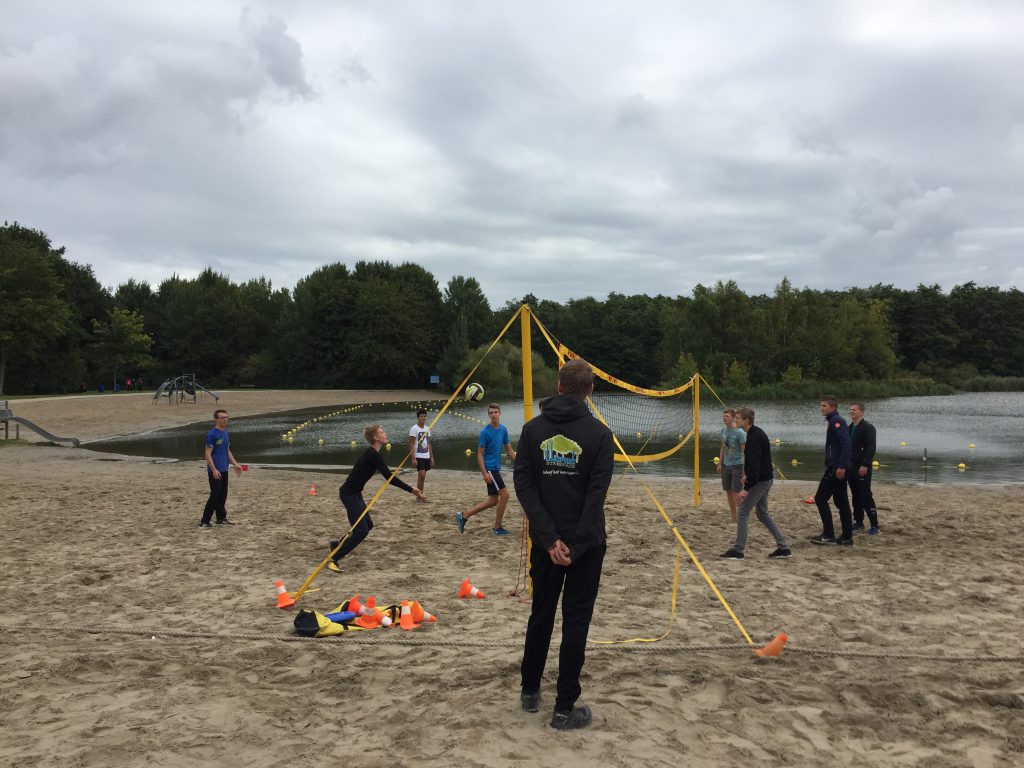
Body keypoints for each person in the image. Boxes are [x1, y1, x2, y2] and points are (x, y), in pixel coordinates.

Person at [514, 359, 614, 731]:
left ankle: (533, 693)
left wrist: (555, 541)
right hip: (572, 544)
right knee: (572, 621)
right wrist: (562, 541)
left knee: (543, 613)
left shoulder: (538, 430)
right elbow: (528, 485)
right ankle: (558, 706)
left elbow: (592, 494)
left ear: (559, 386)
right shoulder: (542, 432)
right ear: (589, 390)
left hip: (560, 544)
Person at [328, 424, 424, 571]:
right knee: (361, 531)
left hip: (355, 493)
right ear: (375, 437)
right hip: (348, 495)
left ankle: (337, 545)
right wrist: (411, 489)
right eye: (382, 432)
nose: (385, 434)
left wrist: (411, 489)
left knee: (368, 525)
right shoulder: (372, 454)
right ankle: (334, 558)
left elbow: (388, 476)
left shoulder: (373, 454)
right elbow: (390, 478)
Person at [719, 408, 791, 560]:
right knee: (762, 514)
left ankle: (738, 550)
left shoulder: (753, 438)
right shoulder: (754, 433)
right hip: (764, 478)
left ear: (746, 421)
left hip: (761, 481)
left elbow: (756, 465)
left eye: (737, 418)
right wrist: (747, 475)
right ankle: (784, 548)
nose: (735, 420)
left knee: (743, 512)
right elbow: (754, 464)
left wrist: (746, 488)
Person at [456, 403, 517, 535]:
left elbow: (510, 451)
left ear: (500, 413)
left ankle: (464, 515)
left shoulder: (503, 430)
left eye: (495, 412)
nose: (493, 415)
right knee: (505, 496)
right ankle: (497, 527)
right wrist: (484, 473)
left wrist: (522, 462)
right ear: (488, 415)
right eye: (491, 413)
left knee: (493, 500)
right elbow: (479, 454)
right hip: (490, 469)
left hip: (496, 469)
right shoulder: (485, 432)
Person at [811, 395, 854, 546]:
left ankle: (829, 534)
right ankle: (847, 536)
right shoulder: (832, 420)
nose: (821, 408)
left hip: (836, 468)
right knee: (841, 502)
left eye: (824, 406)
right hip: (836, 466)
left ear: (833, 407)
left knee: (820, 498)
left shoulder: (837, 421)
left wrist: (841, 466)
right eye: (821, 405)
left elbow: (846, 444)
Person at [200, 409, 242, 528]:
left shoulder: (225, 433)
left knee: (223, 494)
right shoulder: (212, 434)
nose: (225, 419)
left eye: (226, 417)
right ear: (216, 419)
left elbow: (227, 451)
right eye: (222, 417)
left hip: (224, 468)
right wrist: (213, 469)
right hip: (215, 470)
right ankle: (204, 521)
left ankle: (221, 518)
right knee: (215, 494)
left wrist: (235, 464)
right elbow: (207, 454)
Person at [848, 402, 880, 535]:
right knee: (855, 494)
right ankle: (859, 521)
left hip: (862, 466)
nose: (851, 412)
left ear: (861, 412)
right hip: (851, 465)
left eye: (854, 410)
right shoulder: (850, 427)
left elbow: (871, 447)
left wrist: (865, 464)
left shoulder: (868, 427)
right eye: (850, 410)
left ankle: (875, 525)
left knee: (865, 494)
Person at [717, 408, 746, 522]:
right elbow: (723, 447)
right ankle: (734, 515)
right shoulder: (723, 430)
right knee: (728, 491)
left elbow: (745, 452)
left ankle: (742, 514)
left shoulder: (740, 432)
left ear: (733, 418)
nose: (724, 418)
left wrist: (744, 469)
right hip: (726, 464)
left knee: (736, 492)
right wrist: (720, 463)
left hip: (737, 465)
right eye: (723, 416)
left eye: (727, 416)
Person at [408, 408, 434, 501]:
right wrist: (413, 458)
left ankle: (420, 496)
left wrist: (431, 457)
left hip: (426, 455)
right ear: (418, 417)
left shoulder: (427, 428)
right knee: (421, 474)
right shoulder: (414, 429)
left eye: (424, 416)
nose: (423, 418)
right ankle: (419, 496)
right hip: (418, 456)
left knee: (423, 477)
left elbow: (429, 443)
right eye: (421, 416)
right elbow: (411, 443)